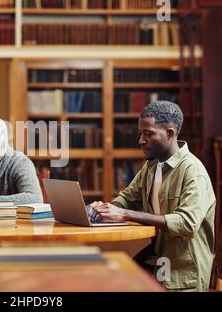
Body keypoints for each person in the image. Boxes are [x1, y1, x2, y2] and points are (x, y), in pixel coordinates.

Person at [88, 101, 215, 292]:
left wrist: (126, 214)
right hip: (157, 261)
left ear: (170, 133)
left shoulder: (193, 171)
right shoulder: (152, 166)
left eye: (148, 134)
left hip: (182, 275)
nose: (140, 140)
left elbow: (188, 223)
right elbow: (127, 197)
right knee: (104, 280)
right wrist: (105, 209)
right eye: (140, 133)